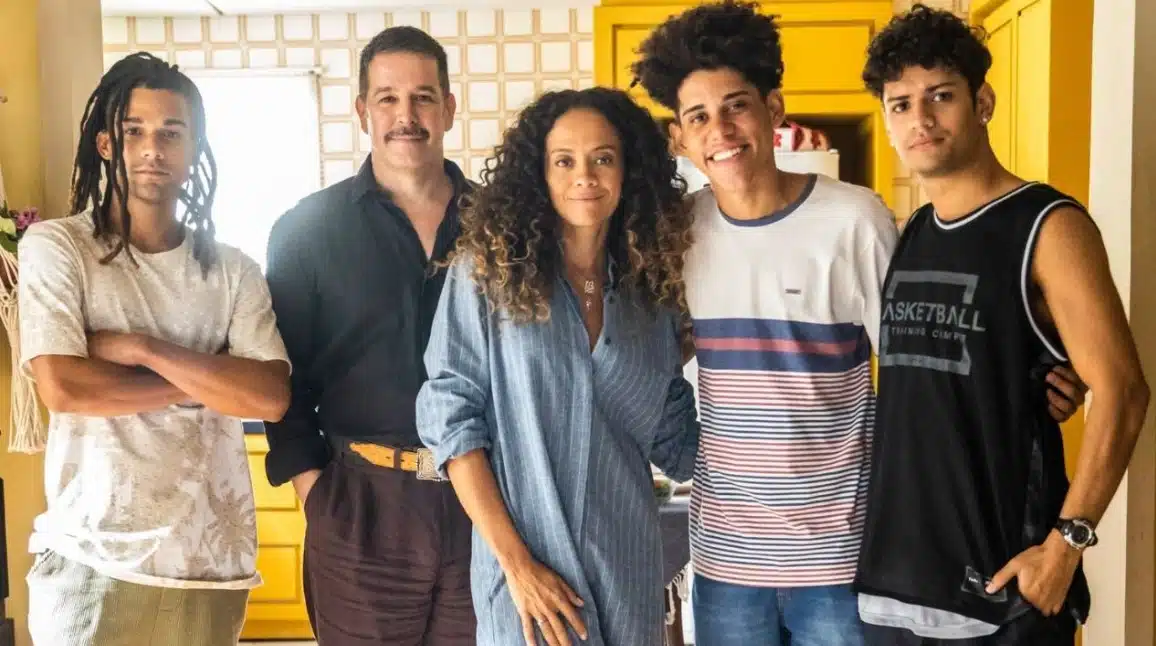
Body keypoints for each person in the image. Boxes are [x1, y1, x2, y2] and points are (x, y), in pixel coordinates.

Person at [629, 3, 1088, 644]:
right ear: (680, 137)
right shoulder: (681, 233)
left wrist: (1031, 382)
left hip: (842, 559)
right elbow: (649, 359)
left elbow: (923, 365)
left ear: (773, 109)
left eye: (737, 106)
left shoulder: (854, 220)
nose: (721, 130)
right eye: (699, 117)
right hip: (726, 562)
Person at [853, 6, 1149, 645]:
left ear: (982, 102)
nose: (920, 119)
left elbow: (1124, 391)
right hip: (897, 586)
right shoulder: (915, 232)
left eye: (940, 96)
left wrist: (1066, 545)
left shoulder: (1047, 225)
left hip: (1004, 591)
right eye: (901, 104)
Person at [19, 52, 291, 645]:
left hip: (212, 568)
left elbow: (269, 398)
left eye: (171, 133)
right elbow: (65, 387)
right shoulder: (58, 248)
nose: (152, 149)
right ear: (105, 144)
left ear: (193, 149)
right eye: (133, 131)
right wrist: (210, 381)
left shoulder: (234, 270)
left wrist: (142, 348)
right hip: (95, 562)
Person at [415, 87, 699, 646]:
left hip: (628, 574)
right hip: (526, 588)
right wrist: (517, 567)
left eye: (603, 158)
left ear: (628, 170)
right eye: (564, 161)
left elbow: (677, 443)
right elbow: (453, 427)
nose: (584, 176)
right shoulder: (486, 276)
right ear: (539, 174)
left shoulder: (652, 296)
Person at [262, 26, 476, 645]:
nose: (406, 116)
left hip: (485, 503)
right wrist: (317, 497)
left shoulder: (503, 225)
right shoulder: (307, 231)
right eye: (387, 98)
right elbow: (283, 380)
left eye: (423, 97)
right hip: (360, 506)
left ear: (448, 108)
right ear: (362, 112)